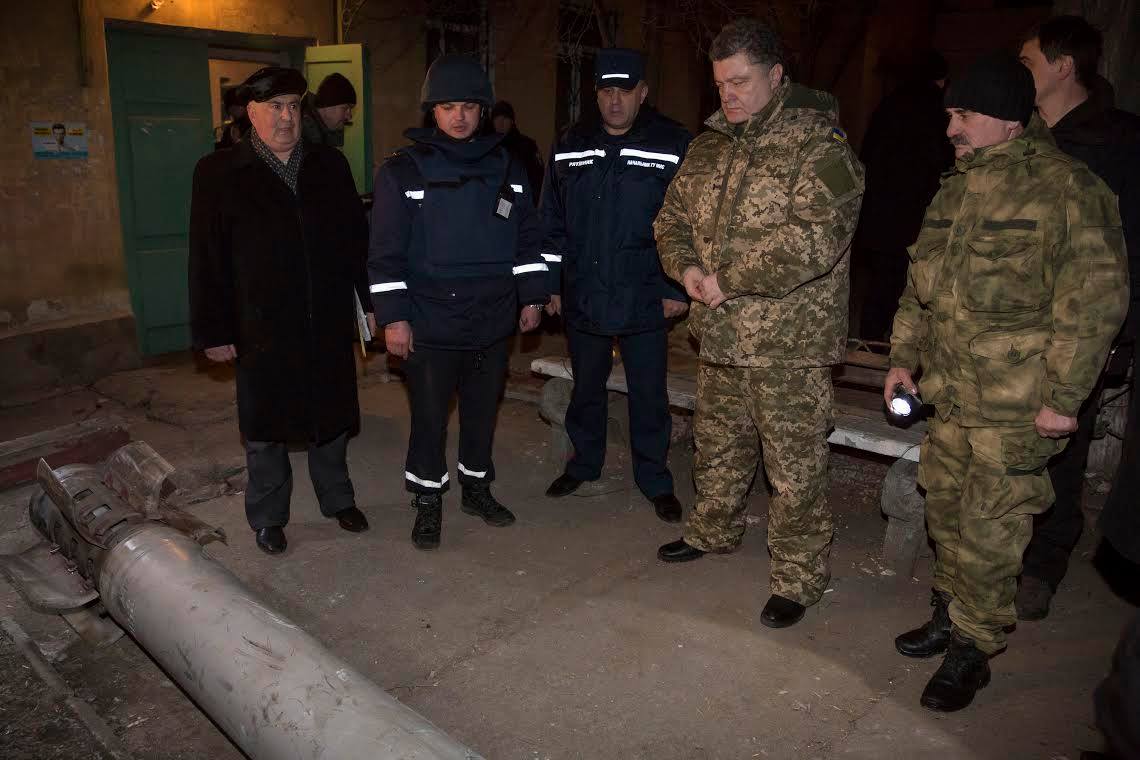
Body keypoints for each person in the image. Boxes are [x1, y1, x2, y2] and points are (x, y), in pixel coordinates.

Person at [885, 52, 1128, 712]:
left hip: (1018, 405)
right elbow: (919, 285)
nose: (951, 129)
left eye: (963, 115)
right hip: (950, 396)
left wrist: (1064, 399)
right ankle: (949, 613)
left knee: (993, 530)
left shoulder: (1069, 190)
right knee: (946, 511)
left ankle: (974, 647)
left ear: (1007, 119)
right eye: (950, 115)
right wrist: (902, 358)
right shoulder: (955, 189)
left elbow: (1094, 303)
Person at [653, 18, 864, 629]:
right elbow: (669, 219)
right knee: (717, 445)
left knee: (794, 469)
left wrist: (729, 277)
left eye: (741, 81)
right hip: (720, 334)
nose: (729, 95)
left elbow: (817, 238)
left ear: (776, 75)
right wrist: (687, 269)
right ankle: (713, 530)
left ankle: (798, 578)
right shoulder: (709, 146)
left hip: (787, 345)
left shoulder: (819, 143)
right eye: (720, 84)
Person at [189, 67, 372, 555]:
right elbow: (206, 257)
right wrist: (214, 330)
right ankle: (269, 516)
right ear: (252, 113)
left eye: (293, 106)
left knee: (331, 416)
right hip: (260, 324)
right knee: (265, 425)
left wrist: (368, 303)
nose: (286, 117)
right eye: (275, 107)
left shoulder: (330, 165)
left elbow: (355, 242)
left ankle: (338, 499)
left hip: (325, 315)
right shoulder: (218, 173)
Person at [368, 55, 548, 551]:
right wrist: (395, 319)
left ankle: (476, 488)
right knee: (429, 418)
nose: (459, 116)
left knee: (482, 412)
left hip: (493, 316)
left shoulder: (508, 166)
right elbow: (384, 254)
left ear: (483, 109)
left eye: (468, 106)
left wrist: (533, 295)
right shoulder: (403, 171)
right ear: (433, 111)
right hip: (431, 319)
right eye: (448, 107)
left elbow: (527, 237)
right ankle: (428, 498)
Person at [1016, 15, 1140, 620]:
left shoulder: (1121, 143)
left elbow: (1127, 251)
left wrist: (1117, 333)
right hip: (1011, 325)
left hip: (1077, 330)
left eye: (1029, 62)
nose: (1020, 73)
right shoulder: (1022, 134)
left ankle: (1042, 565)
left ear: (1063, 66)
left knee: (1062, 452)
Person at [540, 48, 692, 523]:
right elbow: (551, 219)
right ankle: (583, 464)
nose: (614, 101)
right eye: (606, 91)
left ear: (642, 92)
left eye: (625, 91)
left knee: (649, 394)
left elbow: (690, 223)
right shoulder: (570, 143)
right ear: (595, 93)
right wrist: (551, 282)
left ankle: (655, 479)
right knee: (586, 387)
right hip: (584, 288)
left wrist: (676, 288)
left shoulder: (673, 143)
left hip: (645, 291)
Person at [853, 51, 954, 341]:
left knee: (879, 289)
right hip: (916, 220)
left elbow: (867, 155)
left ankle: (870, 344)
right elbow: (942, 164)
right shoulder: (937, 110)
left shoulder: (889, 104)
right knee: (910, 292)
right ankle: (895, 349)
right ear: (941, 79)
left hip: (881, 216)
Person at [491, 100, 545, 194]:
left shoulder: (527, 146)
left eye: (505, 118)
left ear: (512, 121)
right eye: (497, 119)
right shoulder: (487, 147)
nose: (500, 122)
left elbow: (538, 178)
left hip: (521, 199)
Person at [302, 72, 356, 147]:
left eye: (350, 109)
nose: (349, 116)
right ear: (327, 106)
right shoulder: (298, 135)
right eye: (345, 108)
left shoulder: (321, 133)